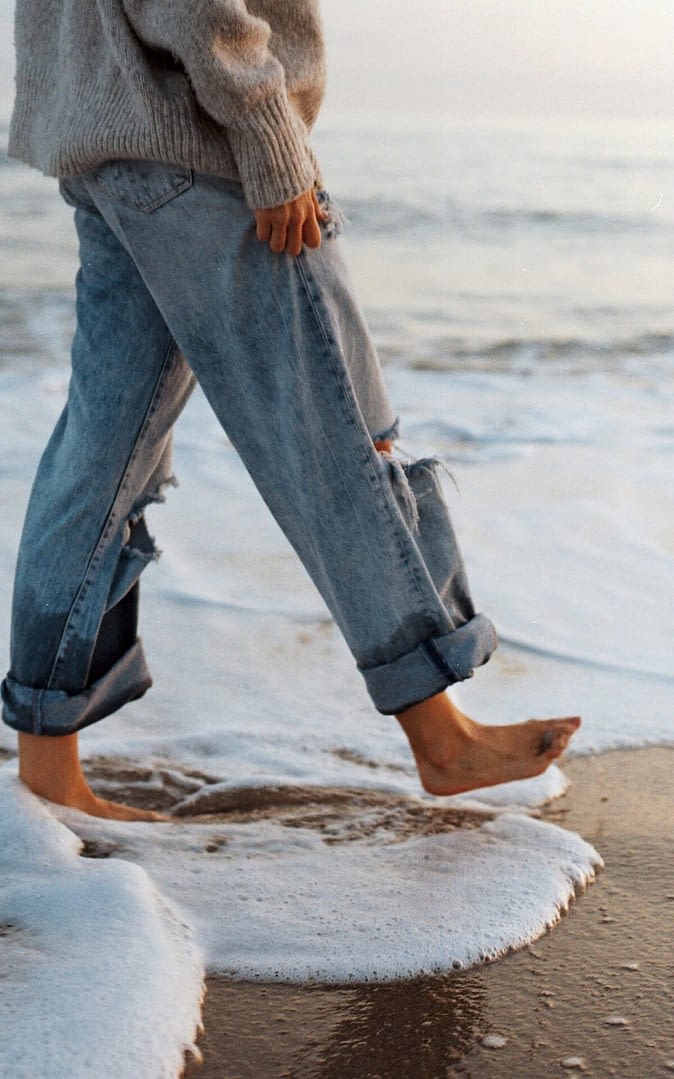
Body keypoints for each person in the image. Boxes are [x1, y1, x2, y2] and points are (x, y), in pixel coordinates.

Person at [2, 1, 579, 820]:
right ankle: (440, 737)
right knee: (337, 432)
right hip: (194, 140)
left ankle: (47, 763)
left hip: (109, 141)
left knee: (99, 457)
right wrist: (269, 137)